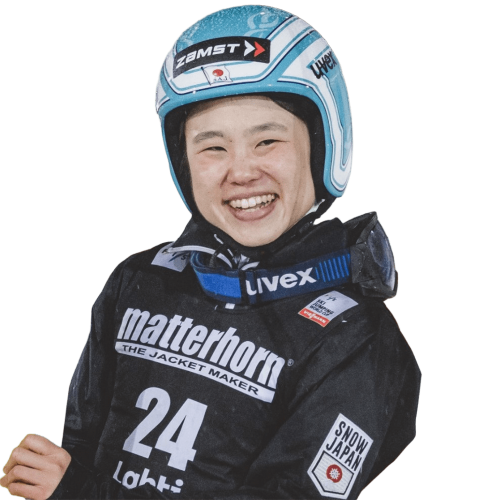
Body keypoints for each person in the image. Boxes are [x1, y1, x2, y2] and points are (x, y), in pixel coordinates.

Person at [0, 5, 421, 500]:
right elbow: (81, 449)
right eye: (212, 148)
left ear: (325, 144)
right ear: (183, 162)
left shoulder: (358, 339)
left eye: (267, 141)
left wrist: (78, 492)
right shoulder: (138, 280)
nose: (240, 172)